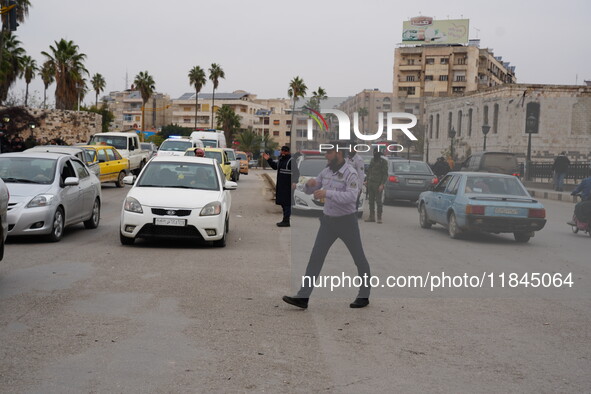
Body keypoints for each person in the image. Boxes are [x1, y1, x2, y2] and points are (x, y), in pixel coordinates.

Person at [282, 143, 371, 309]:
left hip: (346, 222)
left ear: (338, 153)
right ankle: (303, 297)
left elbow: (352, 197)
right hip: (328, 222)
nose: (326, 156)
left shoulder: (350, 173)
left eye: (328, 153)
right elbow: (314, 188)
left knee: (359, 258)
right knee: (315, 258)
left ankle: (364, 295)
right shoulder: (327, 171)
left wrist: (327, 193)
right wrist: (308, 185)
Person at [263, 146, 293, 227]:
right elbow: (275, 166)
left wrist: (295, 182)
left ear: (288, 152)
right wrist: (269, 159)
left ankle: (286, 220)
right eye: (282, 151)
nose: (283, 152)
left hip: (288, 186)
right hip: (281, 185)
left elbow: (296, 173)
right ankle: (284, 219)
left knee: (287, 203)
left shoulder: (291, 161)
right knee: (283, 203)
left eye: (285, 151)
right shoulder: (281, 160)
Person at [364, 148, 388, 223]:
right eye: (374, 152)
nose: (375, 154)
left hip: (378, 184)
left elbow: (385, 174)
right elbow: (369, 171)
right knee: (370, 201)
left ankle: (379, 217)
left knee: (378, 201)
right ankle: (371, 217)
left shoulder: (383, 162)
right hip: (371, 183)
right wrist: (367, 180)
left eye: (376, 153)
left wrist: (382, 184)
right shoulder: (372, 160)